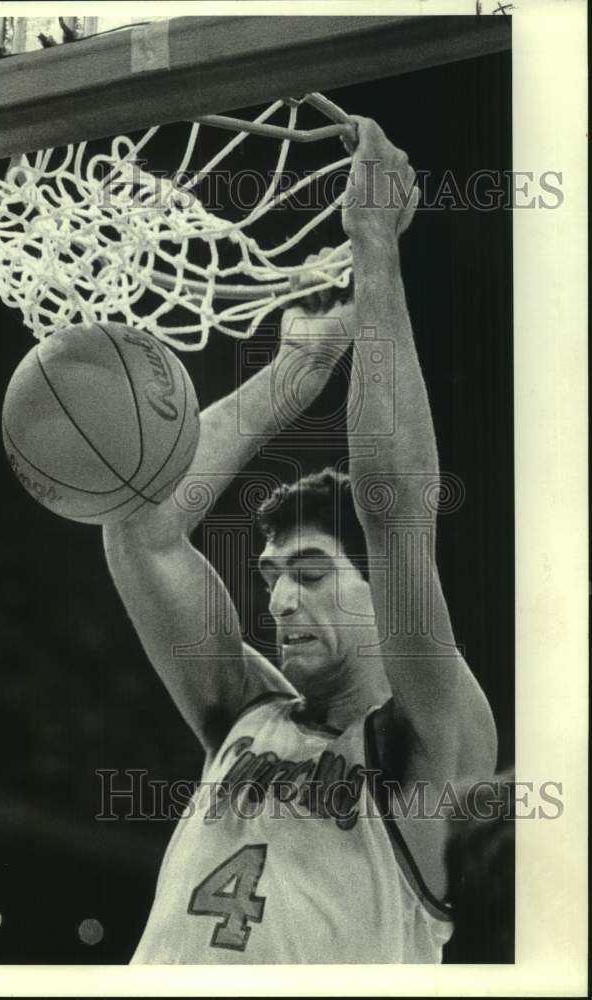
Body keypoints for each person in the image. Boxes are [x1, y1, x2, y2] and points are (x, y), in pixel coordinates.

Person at [103, 116, 497, 963]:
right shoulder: (242, 713)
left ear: (380, 593)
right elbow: (142, 525)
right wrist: (299, 370)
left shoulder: (427, 740)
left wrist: (375, 250)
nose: (280, 598)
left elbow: (395, 507)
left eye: (314, 572)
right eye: (276, 573)